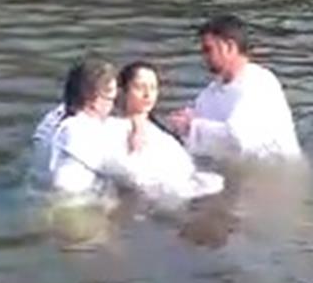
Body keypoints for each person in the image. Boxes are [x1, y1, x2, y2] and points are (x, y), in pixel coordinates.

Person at [168, 15, 301, 162]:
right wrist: (181, 125)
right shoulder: (213, 91)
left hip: (278, 172)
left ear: (230, 47)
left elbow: (238, 141)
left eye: (208, 49)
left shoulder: (259, 83)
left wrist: (191, 126)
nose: (203, 56)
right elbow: (200, 128)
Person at [112, 61, 224, 202]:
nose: (147, 94)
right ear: (123, 91)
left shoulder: (162, 130)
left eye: (153, 88)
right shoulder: (114, 129)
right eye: (140, 87)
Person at [42, 58, 125, 198]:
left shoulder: (51, 119)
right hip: (75, 204)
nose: (112, 106)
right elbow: (125, 172)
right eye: (112, 99)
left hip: (39, 193)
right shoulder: (86, 131)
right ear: (94, 100)